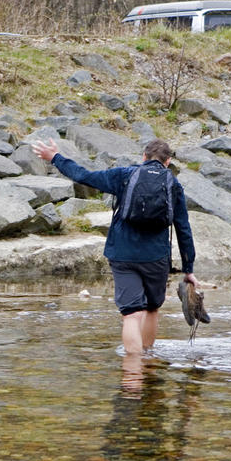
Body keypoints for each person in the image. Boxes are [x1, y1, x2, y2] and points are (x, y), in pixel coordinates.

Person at [31, 137, 198, 356]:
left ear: (144, 158)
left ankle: (132, 373)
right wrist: (188, 269)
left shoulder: (125, 175)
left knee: (131, 314)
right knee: (151, 309)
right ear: (167, 162)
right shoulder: (173, 185)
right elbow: (183, 228)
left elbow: (84, 176)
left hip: (122, 254)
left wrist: (55, 157)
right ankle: (148, 363)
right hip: (155, 257)